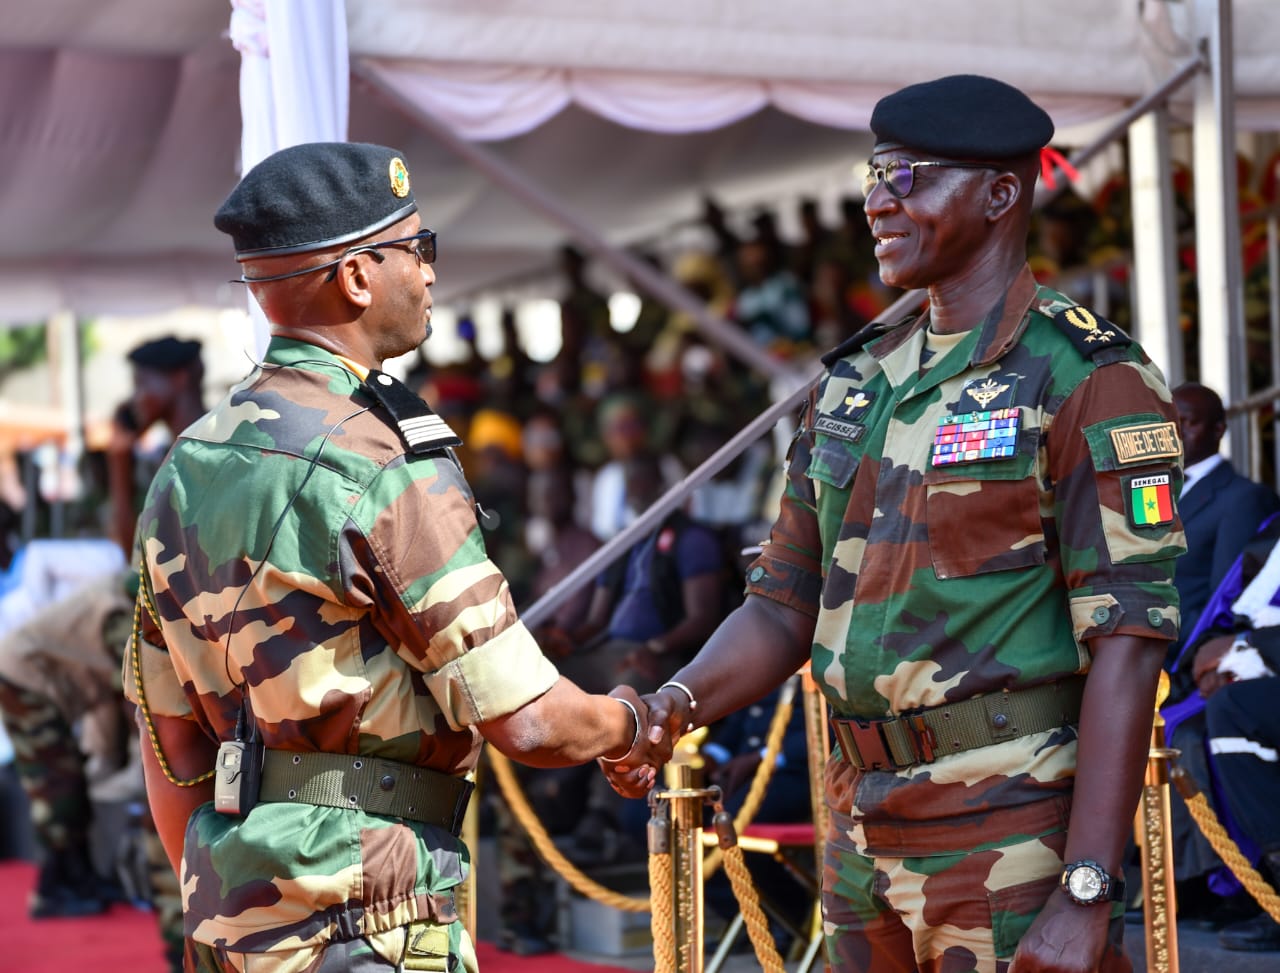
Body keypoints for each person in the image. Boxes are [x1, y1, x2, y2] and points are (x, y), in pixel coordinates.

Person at [604, 75, 1186, 973]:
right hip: (859, 827)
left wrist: (1085, 888)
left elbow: (1131, 640)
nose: (878, 201)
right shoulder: (855, 382)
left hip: (1008, 833)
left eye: (908, 176)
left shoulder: (1084, 376)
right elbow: (783, 602)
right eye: (874, 175)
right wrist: (672, 705)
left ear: (1000, 194)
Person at [123, 142, 655, 973]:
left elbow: (171, 743)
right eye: (417, 247)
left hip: (233, 921)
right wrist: (633, 723)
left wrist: (231, 896)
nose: (430, 272)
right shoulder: (381, 462)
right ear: (357, 278)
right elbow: (528, 719)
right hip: (368, 916)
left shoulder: (186, 466)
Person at [1170, 381, 1280, 660]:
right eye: (1169, 422)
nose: (1176, 433)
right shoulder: (1158, 488)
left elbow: (1224, 602)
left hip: (1182, 657)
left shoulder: (1243, 498)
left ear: (1218, 430)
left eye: (1188, 422)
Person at [106, 336, 206, 558]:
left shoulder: (199, 454)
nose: (135, 399)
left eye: (141, 384)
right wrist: (121, 458)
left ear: (179, 378)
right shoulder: (176, 452)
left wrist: (119, 463)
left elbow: (138, 557)